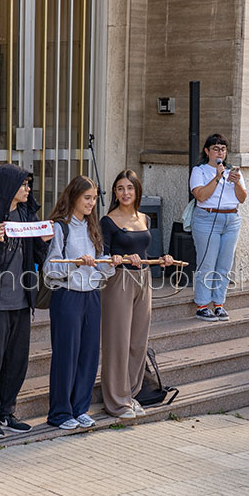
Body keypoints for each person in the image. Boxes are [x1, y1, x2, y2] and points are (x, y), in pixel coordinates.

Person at [0, 164, 51, 439]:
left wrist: (44, 241)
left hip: (21, 300)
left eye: (29, 184)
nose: (29, 189)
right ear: (8, 187)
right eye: (23, 185)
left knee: (17, 361)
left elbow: (39, 257)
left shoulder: (28, 215)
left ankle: (7, 410)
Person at [44, 175, 116, 430]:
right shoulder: (59, 227)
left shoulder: (92, 227)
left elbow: (101, 267)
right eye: (87, 198)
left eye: (94, 198)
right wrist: (75, 263)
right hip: (68, 296)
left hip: (92, 295)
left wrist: (110, 262)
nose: (91, 203)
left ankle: (80, 408)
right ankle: (60, 413)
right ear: (73, 196)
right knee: (67, 354)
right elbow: (50, 268)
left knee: (88, 353)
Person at [100, 170, 172, 419]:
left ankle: (130, 394)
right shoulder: (108, 221)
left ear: (137, 190)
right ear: (115, 192)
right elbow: (103, 257)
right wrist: (115, 259)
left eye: (129, 188)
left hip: (144, 279)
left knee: (138, 342)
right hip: (119, 281)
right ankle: (116, 402)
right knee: (117, 342)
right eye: (120, 188)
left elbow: (145, 253)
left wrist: (161, 260)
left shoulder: (144, 218)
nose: (125, 193)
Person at [189, 134, 246, 322]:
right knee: (207, 262)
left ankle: (219, 303)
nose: (220, 152)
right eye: (215, 148)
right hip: (207, 218)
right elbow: (201, 195)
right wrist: (217, 177)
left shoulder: (233, 171)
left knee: (225, 264)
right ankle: (202, 305)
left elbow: (242, 198)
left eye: (222, 148)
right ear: (207, 151)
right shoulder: (200, 171)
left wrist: (236, 182)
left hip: (231, 219)